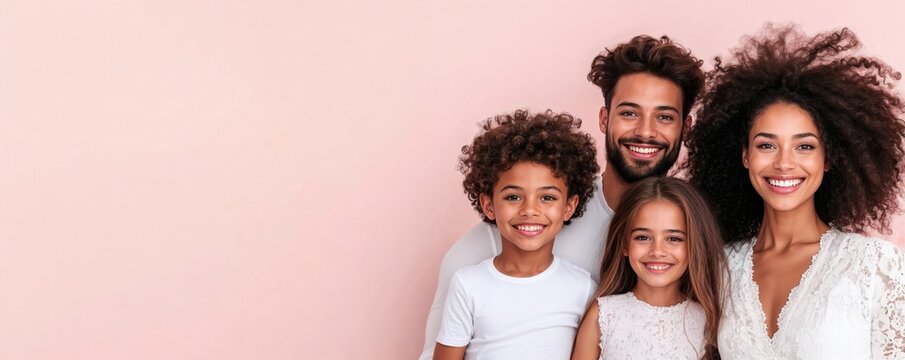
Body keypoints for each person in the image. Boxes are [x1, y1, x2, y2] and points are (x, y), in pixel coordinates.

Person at [420, 35, 705, 359]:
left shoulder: (695, 234)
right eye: (629, 113)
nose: (646, 131)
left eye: (665, 117)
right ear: (603, 118)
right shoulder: (502, 237)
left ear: (686, 128)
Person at [684, 24, 905, 358]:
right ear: (744, 155)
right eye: (766, 145)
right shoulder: (719, 268)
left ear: (828, 158)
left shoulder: (875, 266)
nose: (784, 163)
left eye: (804, 146)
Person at [432, 110, 599, 359]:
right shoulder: (468, 284)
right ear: (489, 205)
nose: (530, 210)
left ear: (569, 207)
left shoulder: (583, 287)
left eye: (547, 198)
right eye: (513, 197)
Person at [571, 177, 726, 360]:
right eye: (643, 237)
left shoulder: (709, 321)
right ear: (624, 244)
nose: (657, 251)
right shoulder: (604, 314)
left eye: (674, 239)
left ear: (695, 246)